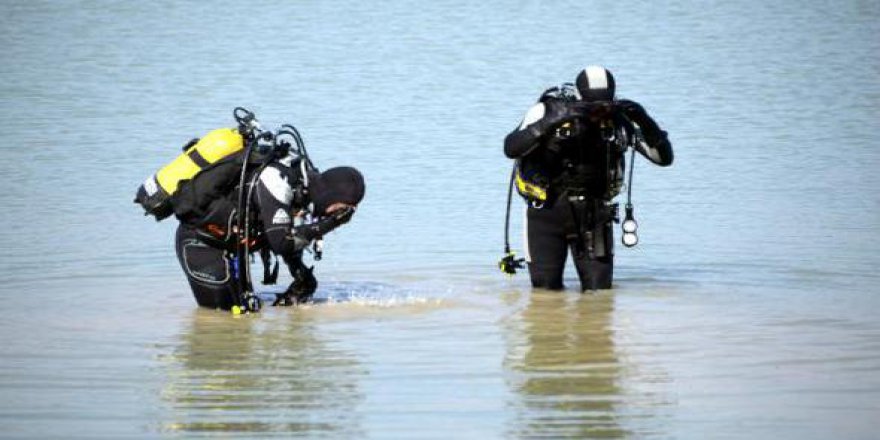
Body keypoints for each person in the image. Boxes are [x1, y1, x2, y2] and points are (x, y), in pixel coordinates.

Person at [168, 116, 365, 312]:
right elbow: (282, 242)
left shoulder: (304, 185)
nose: (345, 213)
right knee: (222, 318)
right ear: (333, 197)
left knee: (245, 316)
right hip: (202, 244)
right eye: (345, 207)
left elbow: (282, 229)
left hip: (233, 246)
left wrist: (302, 276)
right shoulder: (278, 181)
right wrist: (331, 224)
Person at [503, 66, 673, 291]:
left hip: (595, 215)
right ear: (579, 98)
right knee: (545, 292)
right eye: (593, 107)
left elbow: (663, 158)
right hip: (545, 213)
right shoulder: (547, 111)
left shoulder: (618, 122)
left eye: (604, 106)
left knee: (599, 292)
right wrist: (549, 122)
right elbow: (511, 148)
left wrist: (644, 119)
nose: (599, 113)